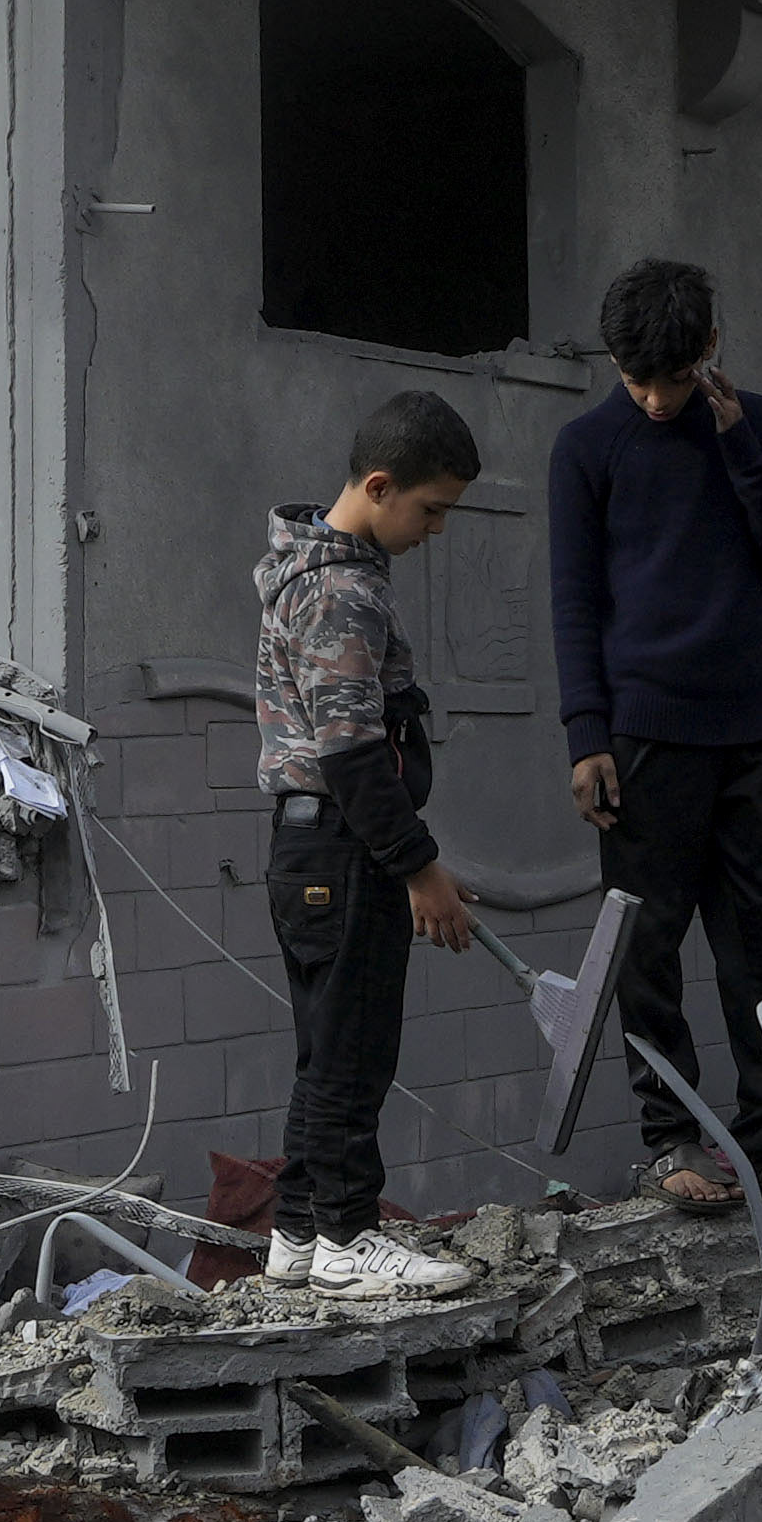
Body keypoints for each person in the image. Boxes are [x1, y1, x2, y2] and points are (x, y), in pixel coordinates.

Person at [546, 257, 762, 1207]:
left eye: (670, 380)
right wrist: (585, 735)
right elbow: (574, 599)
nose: (652, 398)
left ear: (708, 351)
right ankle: (670, 1137)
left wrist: (737, 447)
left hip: (752, 731)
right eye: (635, 380)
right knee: (650, 949)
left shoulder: (748, 423)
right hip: (642, 740)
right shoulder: (587, 446)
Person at [253, 389, 489, 1286]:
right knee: (352, 1051)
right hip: (341, 849)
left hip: (317, 848)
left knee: (326, 1049)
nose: (434, 530)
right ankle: (350, 1241)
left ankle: (300, 1234)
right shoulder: (341, 592)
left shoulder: (316, 575)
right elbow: (352, 756)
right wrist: (417, 867)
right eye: (430, 510)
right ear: (382, 486)